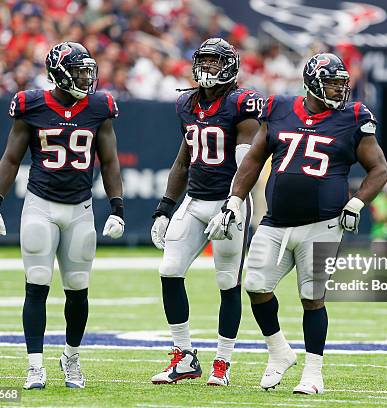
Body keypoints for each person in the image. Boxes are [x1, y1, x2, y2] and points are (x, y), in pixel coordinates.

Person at [208, 53, 387, 394]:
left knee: (312, 296)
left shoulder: (353, 117)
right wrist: (234, 199)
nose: (339, 90)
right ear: (312, 83)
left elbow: (379, 169)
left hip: (323, 223)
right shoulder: (279, 108)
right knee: (256, 287)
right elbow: (255, 158)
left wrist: (356, 201)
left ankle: (313, 372)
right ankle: (278, 352)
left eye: (341, 83)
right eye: (332, 83)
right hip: (275, 222)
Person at [0, 42, 124, 390]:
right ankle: (35, 365)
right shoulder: (30, 104)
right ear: (59, 73)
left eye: (88, 70)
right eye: (79, 70)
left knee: (78, 290)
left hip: (81, 207)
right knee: (37, 286)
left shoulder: (98, 107)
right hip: (40, 205)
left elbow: (109, 161)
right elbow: (11, 158)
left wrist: (118, 207)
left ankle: (71, 357)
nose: (86, 77)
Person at [149, 38, 262, 386]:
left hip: (230, 202)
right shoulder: (187, 104)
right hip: (195, 201)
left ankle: (223, 362)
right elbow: (183, 160)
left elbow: (248, 165)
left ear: (229, 66)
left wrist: (233, 205)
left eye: (215, 62)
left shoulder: (240, 103)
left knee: (227, 281)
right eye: (204, 61)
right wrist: (164, 208)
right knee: (169, 269)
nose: (207, 68)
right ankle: (183, 356)